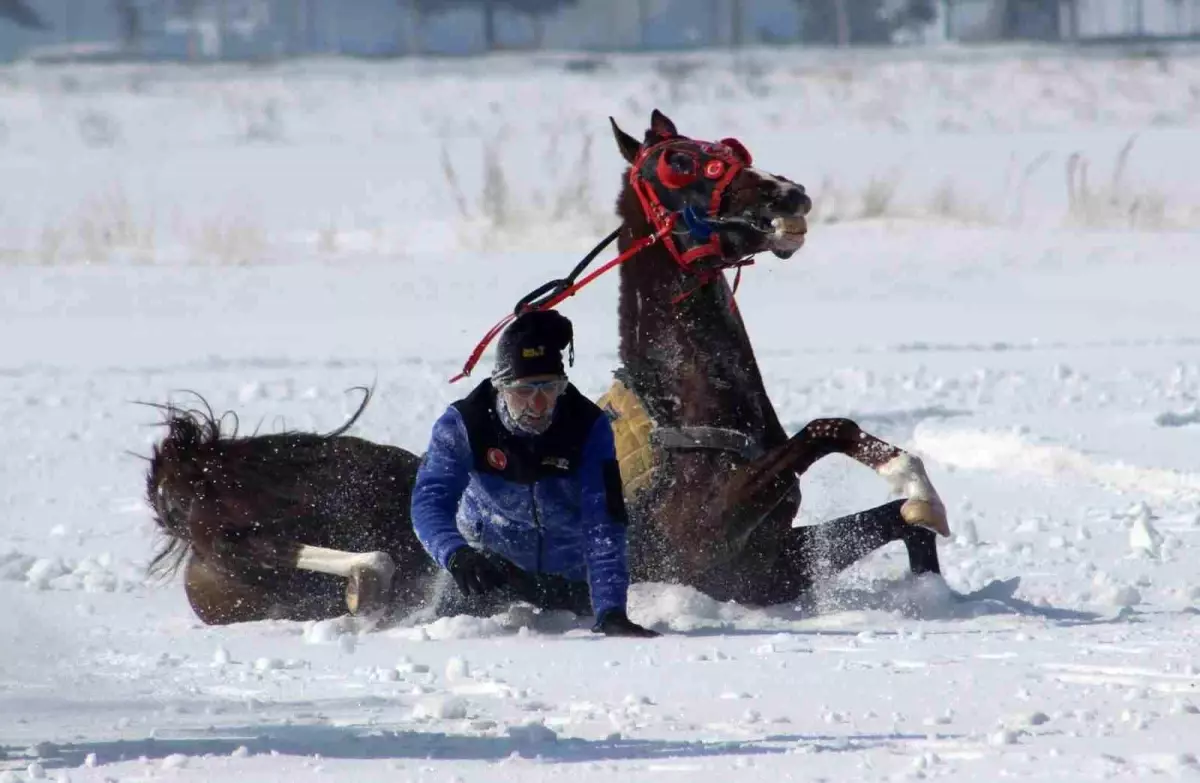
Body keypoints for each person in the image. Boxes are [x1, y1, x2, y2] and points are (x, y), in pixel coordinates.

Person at [410, 309, 659, 638]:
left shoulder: (588, 426)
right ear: (500, 387)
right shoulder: (464, 425)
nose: (538, 405)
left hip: (570, 580)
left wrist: (611, 610)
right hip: (488, 569)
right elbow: (429, 503)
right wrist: (456, 555)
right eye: (524, 391)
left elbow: (604, 525)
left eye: (549, 389)